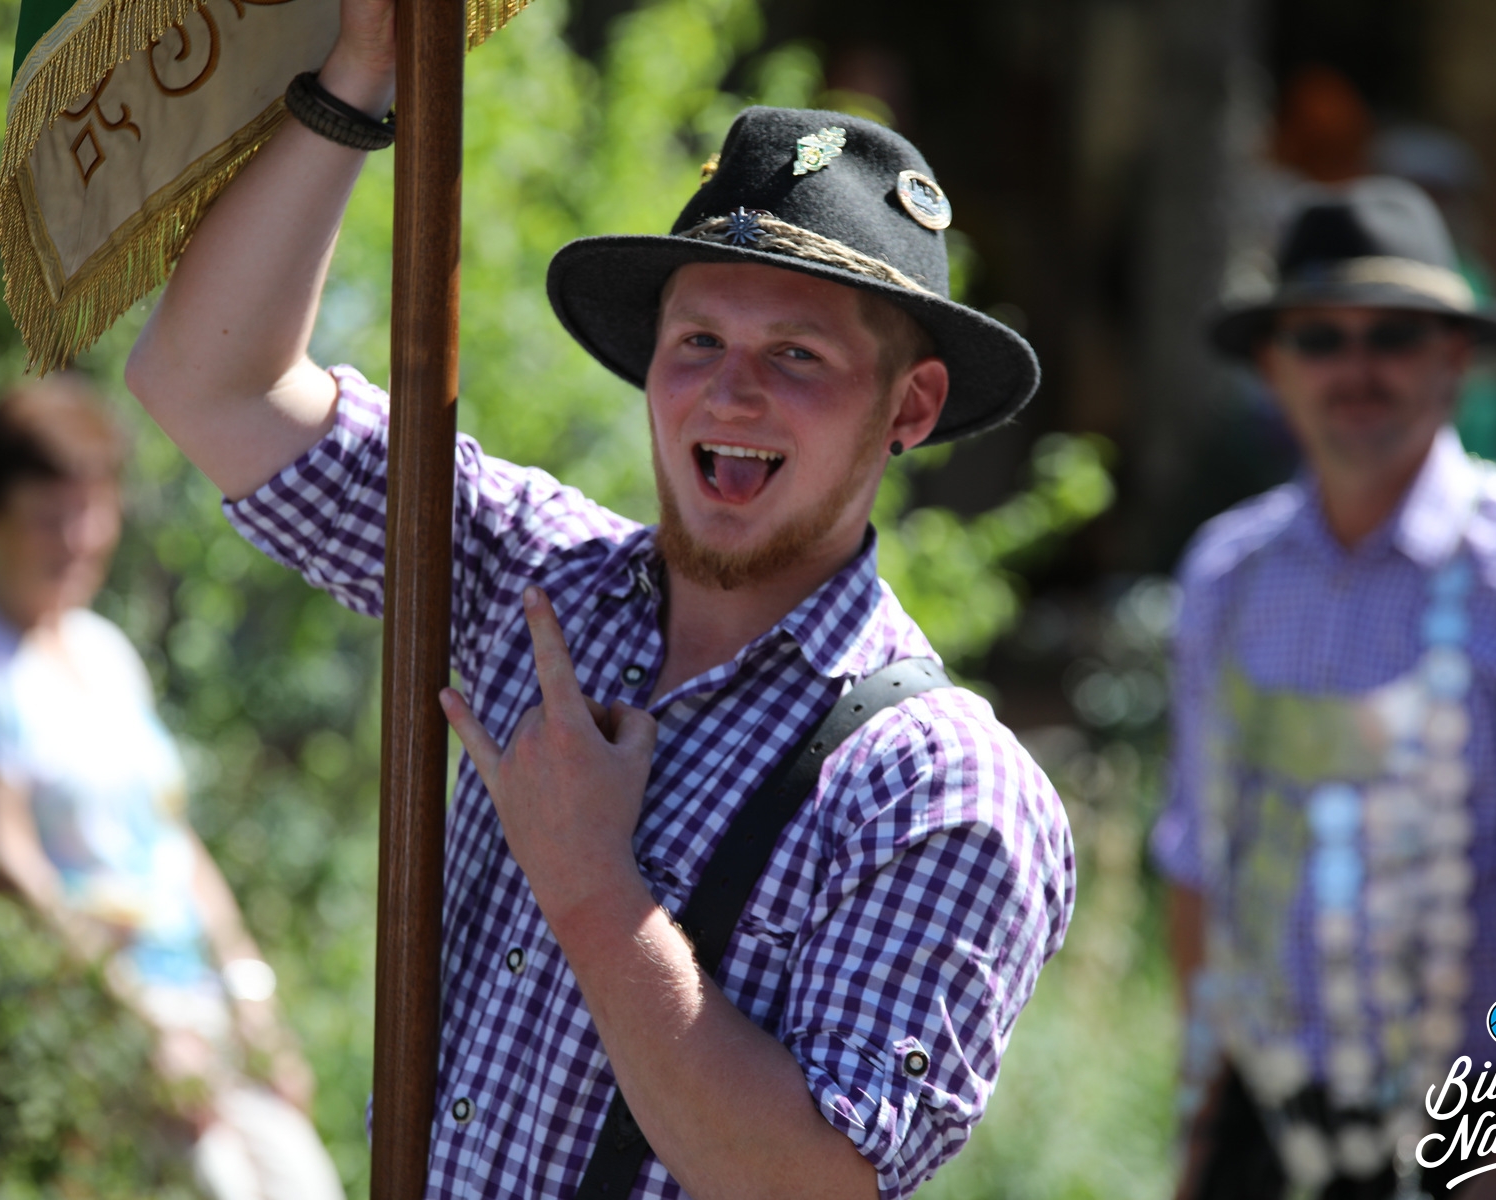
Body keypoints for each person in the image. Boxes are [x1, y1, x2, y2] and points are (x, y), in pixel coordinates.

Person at [121, 3, 1075, 1196]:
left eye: (797, 356)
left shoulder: (940, 787)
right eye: (697, 342)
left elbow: (812, 1181)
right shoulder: (531, 571)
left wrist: (591, 890)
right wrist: (358, 71)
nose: (730, 394)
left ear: (911, 407)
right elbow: (205, 382)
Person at [1153, 175, 1496, 1200]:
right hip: (1271, 1121)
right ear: (1273, 365)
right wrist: (1200, 1126)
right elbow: (1198, 862)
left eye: (1395, 336)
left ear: (1454, 357)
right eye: (1321, 338)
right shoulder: (1227, 574)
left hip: (1482, 1119)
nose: (1356, 369)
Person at [0, 377, 345, 1200]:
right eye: (49, 517)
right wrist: (135, 1028)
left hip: (196, 1004)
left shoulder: (103, 652)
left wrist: (253, 999)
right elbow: (4, 872)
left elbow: (173, 842)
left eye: (92, 511)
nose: (79, 539)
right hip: (79, 1026)